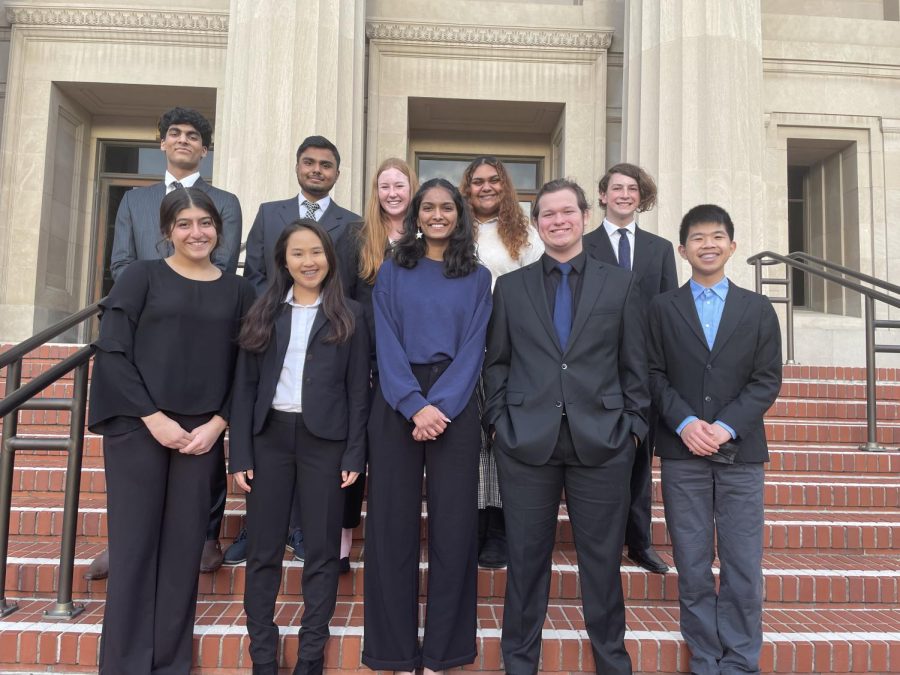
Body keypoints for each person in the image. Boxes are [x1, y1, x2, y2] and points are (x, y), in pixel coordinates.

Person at [483, 178, 649, 675]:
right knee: (526, 564)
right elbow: (497, 364)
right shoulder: (511, 288)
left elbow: (636, 366)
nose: (558, 221)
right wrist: (498, 424)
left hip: (602, 441)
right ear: (536, 225)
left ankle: (612, 662)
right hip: (525, 442)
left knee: (602, 565)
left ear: (584, 216)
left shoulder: (620, 284)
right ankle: (519, 662)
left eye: (566, 212)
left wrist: (633, 428)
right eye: (548, 214)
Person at [88, 187, 254, 674]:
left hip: (201, 436)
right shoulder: (142, 277)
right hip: (140, 428)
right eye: (184, 223)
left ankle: (169, 662)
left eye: (205, 222)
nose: (196, 232)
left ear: (218, 231)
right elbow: (114, 351)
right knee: (135, 546)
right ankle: (125, 665)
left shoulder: (239, 290)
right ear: (167, 231)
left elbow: (246, 367)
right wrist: (153, 418)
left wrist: (219, 424)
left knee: (184, 550)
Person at [88, 107, 243, 581]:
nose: (182, 140)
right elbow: (120, 262)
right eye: (173, 133)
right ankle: (130, 542)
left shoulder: (225, 200)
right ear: (161, 142)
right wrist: (154, 286)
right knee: (140, 460)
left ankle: (203, 536)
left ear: (205, 147)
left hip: (202, 332)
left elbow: (222, 257)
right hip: (147, 325)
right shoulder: (136, 199)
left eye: (192, 135)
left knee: (201, 447)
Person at [362, 178, 492, 673]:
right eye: (428, 207)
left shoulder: (478, 277)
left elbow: (475, 347)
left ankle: (446, 650)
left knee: (454, 530)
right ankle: (391, 650)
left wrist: (440, 406)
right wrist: (414, 404)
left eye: (447, 208)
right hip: (397, 399)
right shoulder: (394, 268)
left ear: (459, 214)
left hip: (455, 405)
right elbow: (385, 340)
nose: (437, 215)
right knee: (391, 528)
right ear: (416, 214)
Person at [229, 220, 370, 675]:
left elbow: (357, 392)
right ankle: (263, 656)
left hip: (325, 444)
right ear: (283, 261)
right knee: (264, 550)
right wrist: (241, 453)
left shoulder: (349, 313)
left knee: (324, 552)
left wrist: (354, 453)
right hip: (269, 440)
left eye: (316, 252)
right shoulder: (264, 311)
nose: (308, 262)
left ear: (329, 257)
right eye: (297, 254)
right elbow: (245, 387)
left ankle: (311, 656)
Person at [647, 204, 782, 675]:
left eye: (718, 236)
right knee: (693, 559)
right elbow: (652, 373)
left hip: (741, 454)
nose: (709, 243)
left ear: (733, 246)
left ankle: (741, 661)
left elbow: (766, 380)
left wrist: (724, 427)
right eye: (698, 237)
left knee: (743, 563)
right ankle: (705, 657)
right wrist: (685, 423)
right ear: (682, 250)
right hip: (683, 453)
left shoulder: (758, 308)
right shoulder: (662, 308)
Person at [227, 134, 361, 565]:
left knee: (311, 440)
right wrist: (271, 317)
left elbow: (352, 284)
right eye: (309, 162)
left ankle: (302, 530)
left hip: (326, 337)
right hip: (272, 331)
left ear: (337, 173)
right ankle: (258, 529)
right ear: (298, 166)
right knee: (270, 437)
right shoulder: (269, 214)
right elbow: (254, 275)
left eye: (326, 164)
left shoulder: (353, 224)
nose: (316, 170)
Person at [582, 162, 677, 575]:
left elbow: (670, 307)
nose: (624, 195)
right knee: (595, 454)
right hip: (595, 363)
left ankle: (639, 542)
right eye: (616, 188)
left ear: (641, 197)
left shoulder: (659, 249)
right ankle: (598, 540)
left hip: (644, 365)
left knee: (639, 455)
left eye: (632, 189)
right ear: (602, 195)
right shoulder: (583, 245)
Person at [334, 157, 418, 571]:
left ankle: (387, 540)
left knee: (391, 455)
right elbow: (343, 297)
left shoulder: (425, 236)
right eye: (385, 186)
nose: (392, 193)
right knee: (354, 448)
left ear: (411, 188)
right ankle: (343, 545)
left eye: (399, 185)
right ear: (375, 191)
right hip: (362, 356)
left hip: (409, 361)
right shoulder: (355, 236)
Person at [459, 156, 543, 569]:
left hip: (513, 347)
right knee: (473, 441)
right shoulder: (455, 229)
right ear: (467, 188)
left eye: (494, 180)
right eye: (477, 181)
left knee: (504, 436)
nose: (486, 187)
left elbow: (537, 287)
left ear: (505, 186)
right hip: (464, 346)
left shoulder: (525, 232)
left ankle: (501, 529)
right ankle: (475, 525)